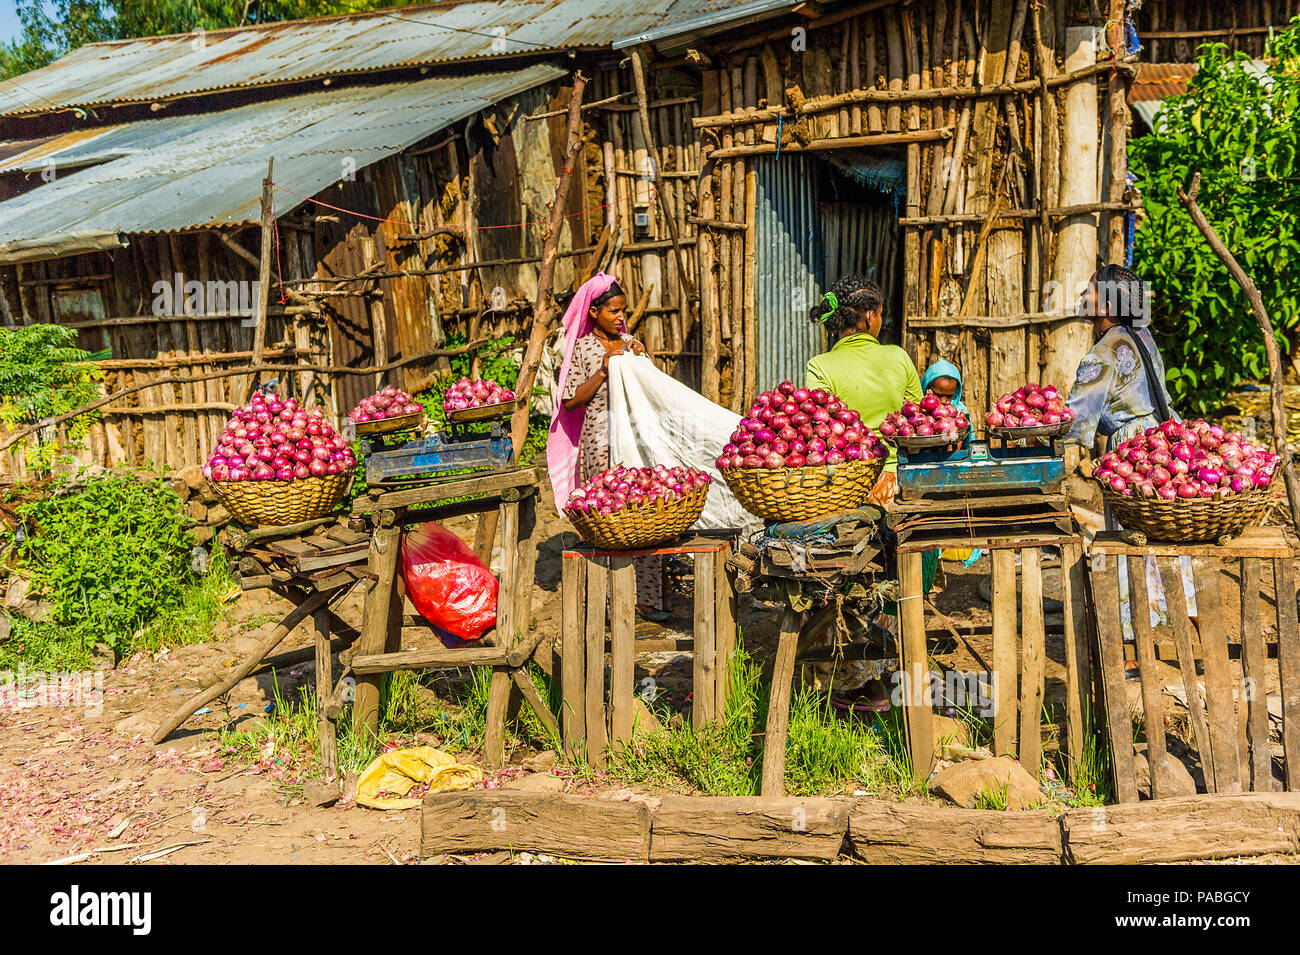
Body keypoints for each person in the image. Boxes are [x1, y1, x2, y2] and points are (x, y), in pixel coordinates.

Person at [1064, 263, 1197, 643]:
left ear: (1106, 302)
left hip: (1132, 450)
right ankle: (1188, 621)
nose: (1082, 297)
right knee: (1164, 534)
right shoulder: (1142, 334)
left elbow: (1077, 419)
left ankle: (1130, 643)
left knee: (1129, 539)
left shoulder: (1102, 352)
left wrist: (1038, 434)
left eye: (1089, 290)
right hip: (1162, 439)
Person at [547, 273, 670, 622]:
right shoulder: (583, 350)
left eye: (623, 311)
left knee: (645, 515)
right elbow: (570, 401)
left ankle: (647, 599)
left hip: (635, 443)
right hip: (599, 448)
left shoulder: (630, 343)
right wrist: (603, 370)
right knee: (609, 522)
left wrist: (642, 359)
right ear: (593, 313)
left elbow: (649, 388)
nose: (620, 317)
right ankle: (610, 604)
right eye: (613, 311)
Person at [805, 275, 922, 506]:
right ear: (870, 316)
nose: (880, 320)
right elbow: (918, 420)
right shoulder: (898, 357)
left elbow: (818, 430)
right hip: (897, 484)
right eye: (879, 314)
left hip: (845, 487)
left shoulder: (818, 366)